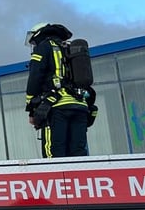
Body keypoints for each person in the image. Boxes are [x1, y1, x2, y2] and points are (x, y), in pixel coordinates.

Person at [24, 22, 99, 158]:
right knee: (78, 151)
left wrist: (31, 107)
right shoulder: (71, 48)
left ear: (39, 34)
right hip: (80, 106)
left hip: (56, 106)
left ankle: (55, 179)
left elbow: (35, 77)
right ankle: (78, 178)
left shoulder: (44, 47)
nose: (34, 45)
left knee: (54, 152)